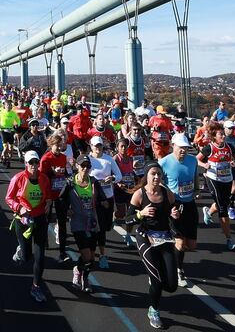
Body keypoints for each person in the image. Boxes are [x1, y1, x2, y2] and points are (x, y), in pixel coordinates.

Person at [126, 162, 182, 329]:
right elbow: (127, 220)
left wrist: (175, 213)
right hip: (145, 238)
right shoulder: (139, 195)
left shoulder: (167, 193)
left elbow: (176, 209)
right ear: (146, 176)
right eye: (153, 174)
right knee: (157, 281)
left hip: (164, 238)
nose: (157, 177)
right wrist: (140, 214)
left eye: (159, 174)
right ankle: (154, 310)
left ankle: (155, 285)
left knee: (171, 285)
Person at [6, 151, 51, 302]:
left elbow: (48, 195)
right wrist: (19, 208)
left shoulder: (44, 178)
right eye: (30, 163)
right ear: (25, 164)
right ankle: (20, 251)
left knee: (40, 257)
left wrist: (49, 202)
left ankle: (36, 287)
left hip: (39, 220)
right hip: (23, 220)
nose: (33, 166)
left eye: (36, 162)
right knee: (26, 257)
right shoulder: (18, 178)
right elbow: (9, 198)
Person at [59, 154, 108, 293]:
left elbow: (102, 198)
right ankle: (77, 270)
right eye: (83, 166)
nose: (85, 169)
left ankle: (84, 277)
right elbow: (60, 200)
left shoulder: (94, 182)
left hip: (92, 222)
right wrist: (67, 210)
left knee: (92, 257)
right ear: (77, 166)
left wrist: (103, 203)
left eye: (88, 166)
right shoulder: (70, 183)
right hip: (78, 223)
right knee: (86, 255)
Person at [159, 134, 199, 288]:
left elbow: (195, 176)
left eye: (186, 147)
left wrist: (196, 188)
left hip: (190, 204)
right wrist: (166, 204)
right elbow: (158, 183)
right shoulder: (163, 162)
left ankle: (170, 253)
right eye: (180, 147)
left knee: (192, 245)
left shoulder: (192, 160)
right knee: (180, 243)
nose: (183, 150)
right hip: (174, 205)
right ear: (172, 145)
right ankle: (178, 270)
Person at [198, 122, 235, 251]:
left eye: (223, 134)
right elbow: (196, 159)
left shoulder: (230, 147)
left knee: (224, 203)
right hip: (213, 178)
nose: (223, 136)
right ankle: (229, 239)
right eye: (220, 134)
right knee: (223, 208)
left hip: (227, 178)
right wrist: (204, 165)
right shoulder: (209, 148)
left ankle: (208, 211)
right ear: (214, 136)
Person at [87, 136, 122, 269]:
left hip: (108, 197)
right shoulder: (88, 160)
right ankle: (99, 255)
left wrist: (112, 178)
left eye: (100, 145)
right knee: (97, 229)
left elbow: (119, 176)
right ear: (91, 146)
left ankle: (97, 253)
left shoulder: (108, 159)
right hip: (94, 199)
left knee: (105, 227)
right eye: (95, 145)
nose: (97, 148)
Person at [39, 133, 70, 263]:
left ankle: (62, 252)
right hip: (48, 195)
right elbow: (41, 177)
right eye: (57, 145)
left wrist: (67, 176)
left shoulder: (63, 157)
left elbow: (66, 173)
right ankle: (43, 243)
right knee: (45, 220)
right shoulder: (46, 159)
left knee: (62, 222)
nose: (59, 148)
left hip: (60, 194)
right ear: (51, 144)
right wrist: (53, 172)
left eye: (61, 145)